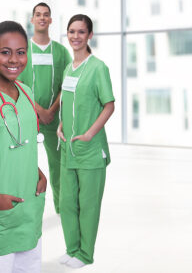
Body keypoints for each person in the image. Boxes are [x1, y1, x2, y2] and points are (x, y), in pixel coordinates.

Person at [57, 14, 115, 268]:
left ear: (90, 35)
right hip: (68, 149)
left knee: (88, 205)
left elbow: (109, 105)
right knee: (67, 203)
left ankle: (85, 254)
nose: (75, 36)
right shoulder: (68, 68)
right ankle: (72, 248)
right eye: (71, 31)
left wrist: (91, 133)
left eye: (81, 32)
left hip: (90, 149)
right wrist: (60, 124)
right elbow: (69, 104)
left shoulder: (98, 68)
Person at [0, 20, 47, 273]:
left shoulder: (26, 92)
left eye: (20, 52)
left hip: (29, 206)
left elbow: (22, 144)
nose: (13, 60)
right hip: (3, 212)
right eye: (5, 52)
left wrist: (37, 172)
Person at [18, 2, 72, 214]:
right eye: (38, 14)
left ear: (50, 20)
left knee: (58, 164)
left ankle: (61, 208)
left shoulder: (60, 52)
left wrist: (51, 111)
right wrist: (39, 110)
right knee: (25, 163)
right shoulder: (23, 51)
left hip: (54, 119)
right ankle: (25, 206)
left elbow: (67, 82)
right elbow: (18, 84)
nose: (42, 18)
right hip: (29, 116)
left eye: (46, 15)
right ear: (32, 20)